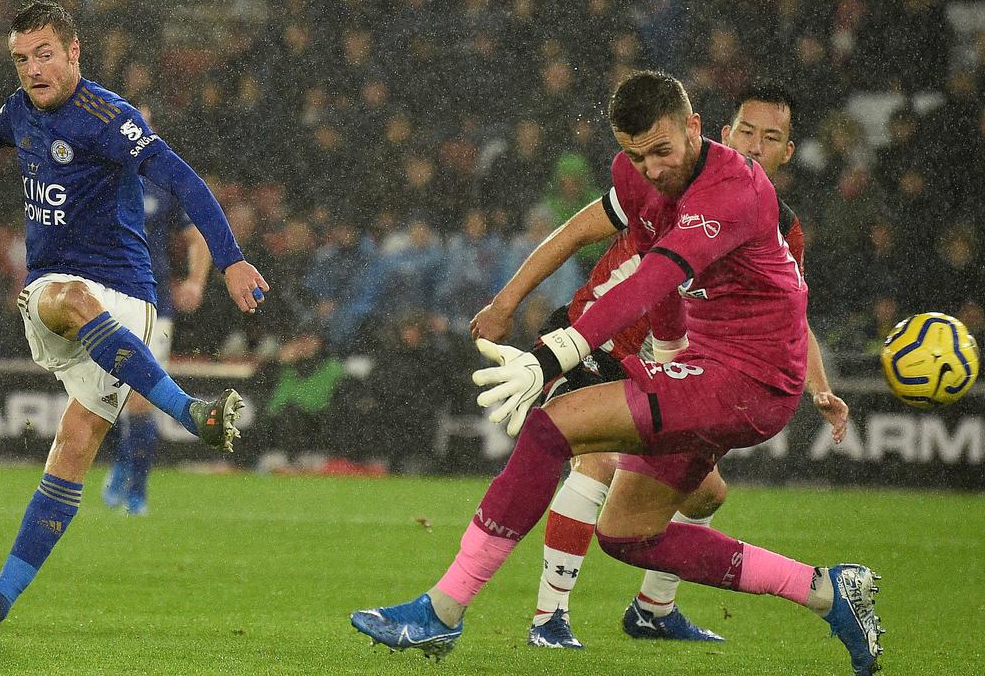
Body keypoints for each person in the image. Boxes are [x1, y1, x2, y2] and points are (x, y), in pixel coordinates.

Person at [351, 71, 882, 676]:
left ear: (695, 128)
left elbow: (658, 275)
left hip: (750, 382)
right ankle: (827, 591)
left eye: (662, 151)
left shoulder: (736, 191)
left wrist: (557, 353)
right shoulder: (637, 176)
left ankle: (443, 612)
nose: (652, 169)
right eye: (636, 155)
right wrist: (669, 345)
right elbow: (651, 265)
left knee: (553, 428)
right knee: (628, 533)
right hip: (703, 364)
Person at [0, 0, 268, 648]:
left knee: (72, 449)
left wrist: (228, 260)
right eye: (21, 57)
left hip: (130, 305)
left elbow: (183, 179)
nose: (32, 68)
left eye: (44, 54)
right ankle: (189, 411)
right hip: (65, 297)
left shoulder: (107, 118)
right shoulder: (19, 112)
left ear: (74, 52)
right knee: (61, 296)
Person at [471, 83, 851, 649]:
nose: (755, 144)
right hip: (605, 335)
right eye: (746, 131)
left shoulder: (777, 225)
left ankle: (653, 607)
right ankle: (549, 619)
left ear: (787, 153)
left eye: (771, 138)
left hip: (687, 364)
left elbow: (788, 311)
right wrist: (507, 303)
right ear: (718, 132)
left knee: (704, 495)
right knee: (594, 459)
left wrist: (818, 387)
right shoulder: (662, 179)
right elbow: (579, 231)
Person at [103, 149, 212, 516]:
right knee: (108, 398)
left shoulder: (162, 179)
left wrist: (196, 281)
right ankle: (124, 459)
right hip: (103, 301)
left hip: (153, 303)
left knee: (140, 398)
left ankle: (138, 491)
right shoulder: (94, 174)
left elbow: (197, 234)